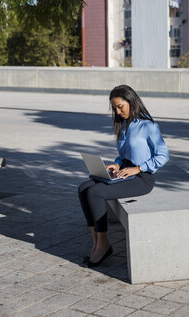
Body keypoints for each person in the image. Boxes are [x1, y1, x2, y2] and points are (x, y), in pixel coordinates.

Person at [78, 84, 170, 268]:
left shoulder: (148, 125)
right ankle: (96, 242)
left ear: (131, 101)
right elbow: (123, 154)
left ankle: (104, 244)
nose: (118, 111)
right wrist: (117, 163)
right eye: (115, 108)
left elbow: (163, 155)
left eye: (121, 106)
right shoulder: (124, 125)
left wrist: (138, 168)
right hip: (124, 173)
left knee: (95, 192)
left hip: (142, 178)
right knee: (83, 188)